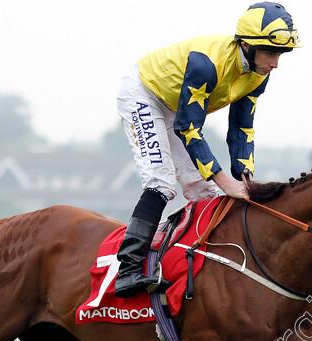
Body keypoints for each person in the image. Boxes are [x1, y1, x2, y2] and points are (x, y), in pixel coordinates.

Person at [113, 2, 301, 297]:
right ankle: (128, 270)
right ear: (247, 46)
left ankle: (202, 268)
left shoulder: (258, 74)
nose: (275, 63)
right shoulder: (207, 64)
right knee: (162, 182)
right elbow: (188, 128)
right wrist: (224, 180)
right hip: (144, 94)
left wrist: (244, 175)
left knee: (207, 194)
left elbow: (242, 127)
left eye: (280, 54)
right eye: (270, 53)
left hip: (176, 106)